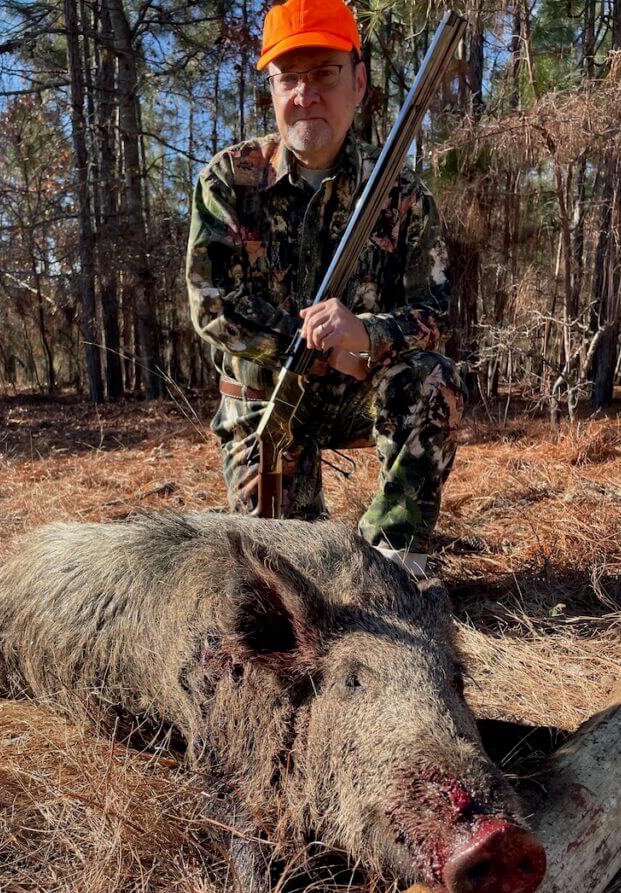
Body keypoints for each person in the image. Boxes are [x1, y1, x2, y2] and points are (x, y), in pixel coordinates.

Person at [186, 0, 466, 578]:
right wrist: (312, 345)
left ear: (358, 82)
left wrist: (365, 335)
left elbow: (435, 311)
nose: (304, 94)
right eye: (288, 77)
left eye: (323, 74)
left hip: (359, 390)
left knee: (432, 379)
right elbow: (214, 307)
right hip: (265, 399)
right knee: (288, 577)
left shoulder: (402, 194)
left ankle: (394, 561)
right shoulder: (229, 181)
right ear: (271, 89)